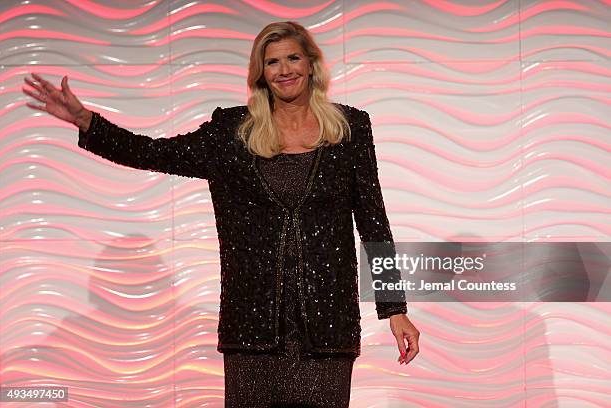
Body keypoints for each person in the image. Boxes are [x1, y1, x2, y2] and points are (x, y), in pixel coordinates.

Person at [23, 21, 419, 408]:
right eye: (273, 62)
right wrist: (87, 122)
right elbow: (153, 152)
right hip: (252, 329)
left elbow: (373, 221)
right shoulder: (231, 131)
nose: (285, 70)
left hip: (327, 327)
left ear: (312, 63)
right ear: (260, 73)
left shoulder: (350, 128)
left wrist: (394, 308)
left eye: (293, 58)